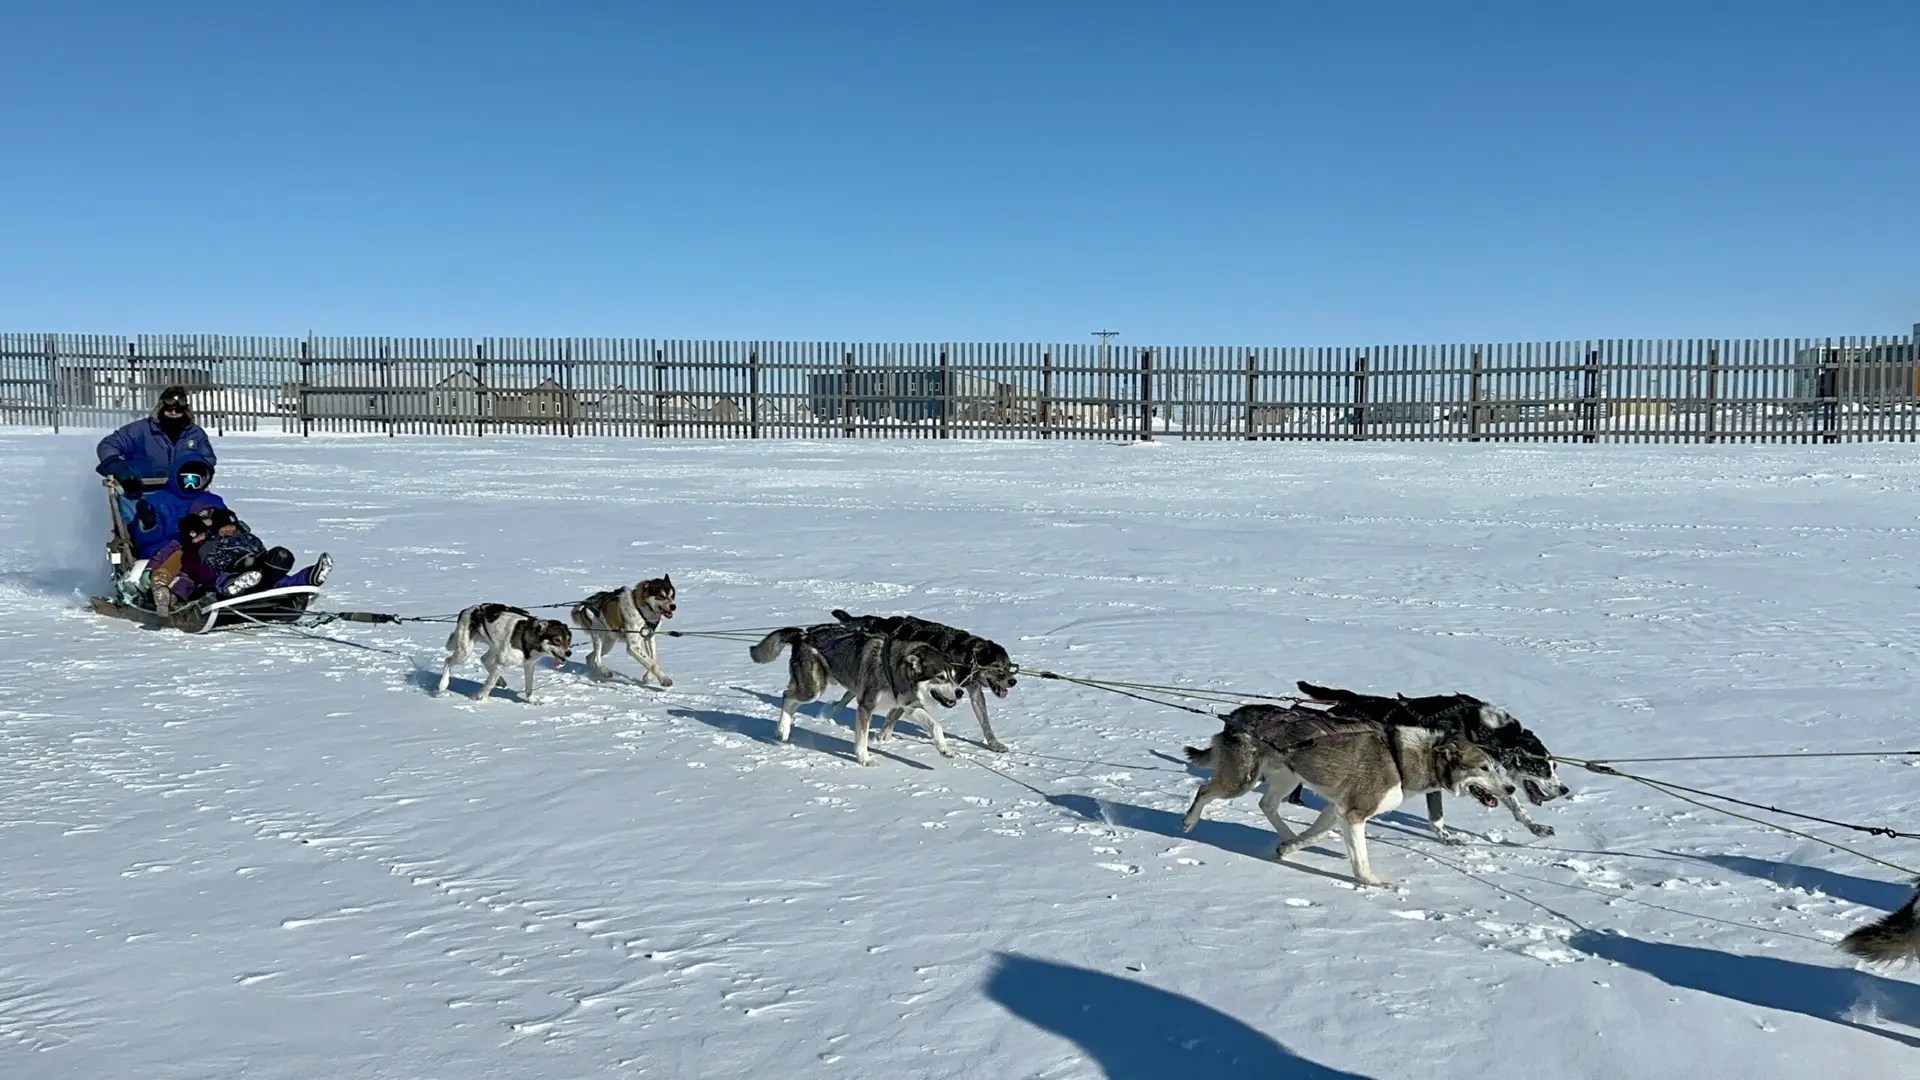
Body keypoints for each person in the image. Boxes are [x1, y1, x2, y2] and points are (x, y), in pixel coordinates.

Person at [168, 506, 332, 610]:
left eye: (232, 527)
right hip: (223, 577)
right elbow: (195, 569)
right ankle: (235, 585)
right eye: (225, 527)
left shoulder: (244, 537)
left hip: (257, 573)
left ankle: (309, 577)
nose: (229, 530)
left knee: (279, 566)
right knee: (226, 578)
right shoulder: (200, 548)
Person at [95, 386, 216, 525]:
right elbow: (108, 445)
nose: (174, 412)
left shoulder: (195, 434)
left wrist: (199, 470)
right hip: (140, 495)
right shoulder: (141, 430)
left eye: (178, 409)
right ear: (161, 407)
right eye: (169, 408)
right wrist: (121, 471)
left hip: (185, 494)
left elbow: (207, 458)